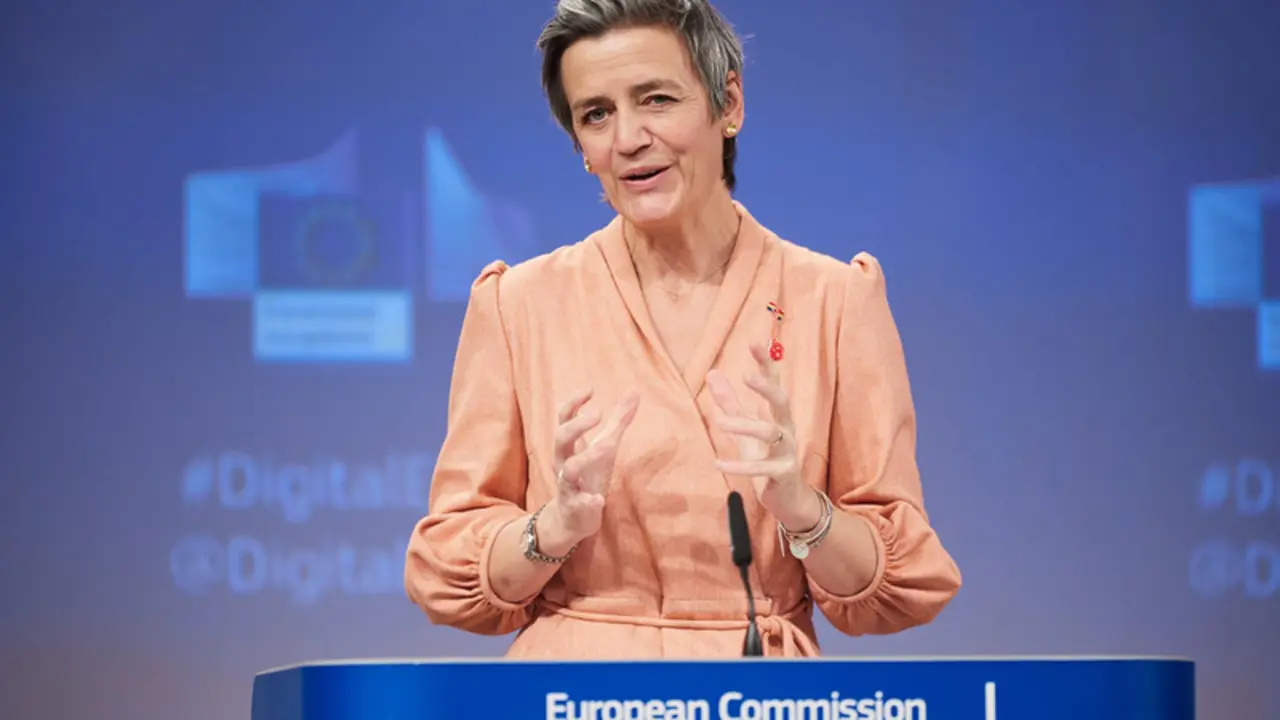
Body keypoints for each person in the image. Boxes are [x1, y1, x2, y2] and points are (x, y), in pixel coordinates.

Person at [403, 0, 961, 658]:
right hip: (576, 692)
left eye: (657, 100)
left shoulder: (835, 300)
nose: (629, 138)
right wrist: (553, 528)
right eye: (596, 114)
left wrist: (804, 510)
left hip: (757, 690)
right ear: (581, 147)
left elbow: (896, 587)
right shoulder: (519, 304)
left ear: (728, 105)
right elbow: (445, 572)